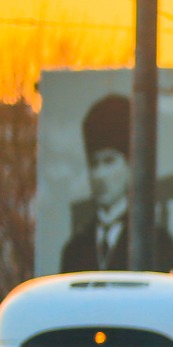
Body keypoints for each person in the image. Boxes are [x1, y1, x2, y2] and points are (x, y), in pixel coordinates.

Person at [59, 93, 137, 272]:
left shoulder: (156, 245)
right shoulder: (74, 250)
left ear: (130, 165)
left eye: (109, 161)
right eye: (94, 164)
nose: (99, 175)